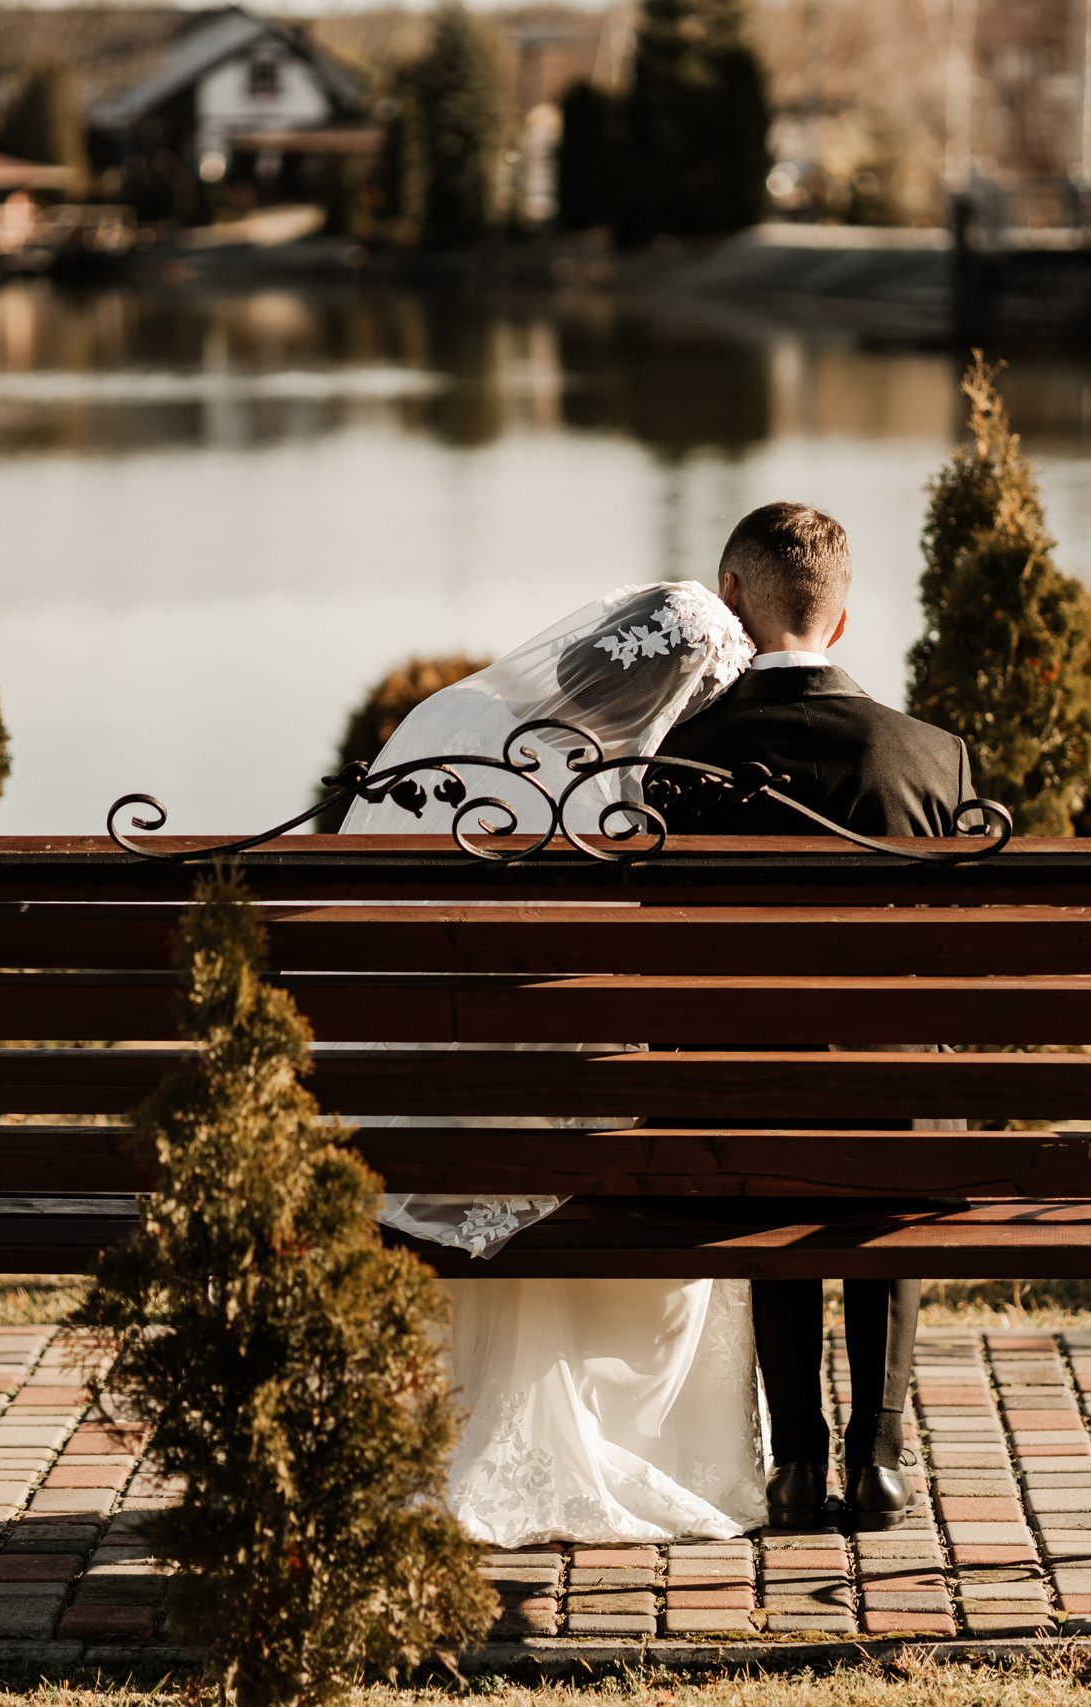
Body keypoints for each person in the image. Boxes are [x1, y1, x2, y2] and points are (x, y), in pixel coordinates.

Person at [341, 582, 769, 1547]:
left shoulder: (453, 721)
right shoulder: (607, 797)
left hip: (394, 1113)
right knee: (660, 1151)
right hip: (541, 1132)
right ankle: (639, 1442)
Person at [653, 501, 974, 1528]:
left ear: (732, 604)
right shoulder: (931, 757)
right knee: (889, 1105)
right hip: (901, 1125)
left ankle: (795, 1461)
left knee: (762, 1110)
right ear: (838, 623)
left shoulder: (676, 758)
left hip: (733, 1128)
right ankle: (878, 1456)